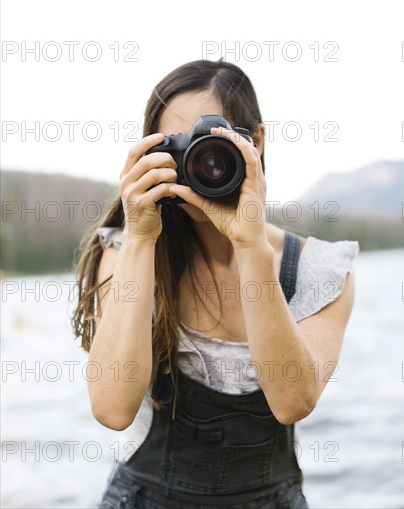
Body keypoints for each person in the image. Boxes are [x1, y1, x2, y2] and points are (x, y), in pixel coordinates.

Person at [71, 59, 359, 509]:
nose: (200, 162)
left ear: (256, 140)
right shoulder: (126, 253)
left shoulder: (318, 268)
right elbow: (111, 408)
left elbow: (292, 401)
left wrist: (250, 245)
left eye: (213, 144)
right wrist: (142, 239)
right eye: (181, 147)